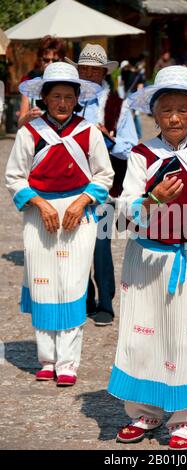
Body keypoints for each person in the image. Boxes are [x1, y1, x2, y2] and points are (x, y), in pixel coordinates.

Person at [107, 66, 187, 449]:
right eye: (167, 110)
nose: (176, 117)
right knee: (142, 335)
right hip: (146, 259)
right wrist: (151, 200)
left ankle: (185, 418)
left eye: (183, 109)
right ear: (155, 114)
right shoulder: (141, 155)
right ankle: (144, 411)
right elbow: (121, 215)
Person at [5, 62, 114, 386]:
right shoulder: (30, 133)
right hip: (40, 216)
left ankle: (67, 361)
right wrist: (40, 204)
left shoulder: (88, 132)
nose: (63, 103)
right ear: (45, 99)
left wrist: (82, 202)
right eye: (56, 97)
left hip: (79, 217)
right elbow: (14, 176)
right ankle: (46, 358)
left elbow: (104, 175)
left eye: (69, 96)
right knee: (43, 283)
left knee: (73, 283)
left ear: (77, 98)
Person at [66, 44, 138, 326]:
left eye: (93, 70)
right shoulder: (69, 101)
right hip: (70, 184)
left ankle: (105, 302)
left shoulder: (118, 107)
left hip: (105, 185)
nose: (88, 74)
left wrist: (107, 137)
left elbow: (131, 149)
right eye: (83, 69)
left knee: (100, 244)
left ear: (103, 72)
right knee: (74, 243)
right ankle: (83, 298)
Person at [18, 36, 66, 128]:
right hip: (37, 138)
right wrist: (29, 115)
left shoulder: (71, 85)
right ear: (40, 61)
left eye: (55, 60)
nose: (50, 64)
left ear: (62, 60)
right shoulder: (30, 85)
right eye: (46, 60)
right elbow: (20, 124)